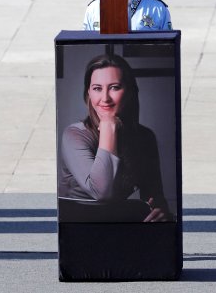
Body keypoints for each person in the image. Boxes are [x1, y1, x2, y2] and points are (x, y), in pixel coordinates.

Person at [58, 53, 170, 222]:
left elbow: (155, 197)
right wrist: (109, 128)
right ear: (88, 93)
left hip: (118, 221)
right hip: (76, 224)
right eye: (97, 88)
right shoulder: (74, 135)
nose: (105, 98)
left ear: (130, 91)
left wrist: (160, 212)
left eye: (114, 87)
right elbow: (103, 193)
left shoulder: (145, 137)